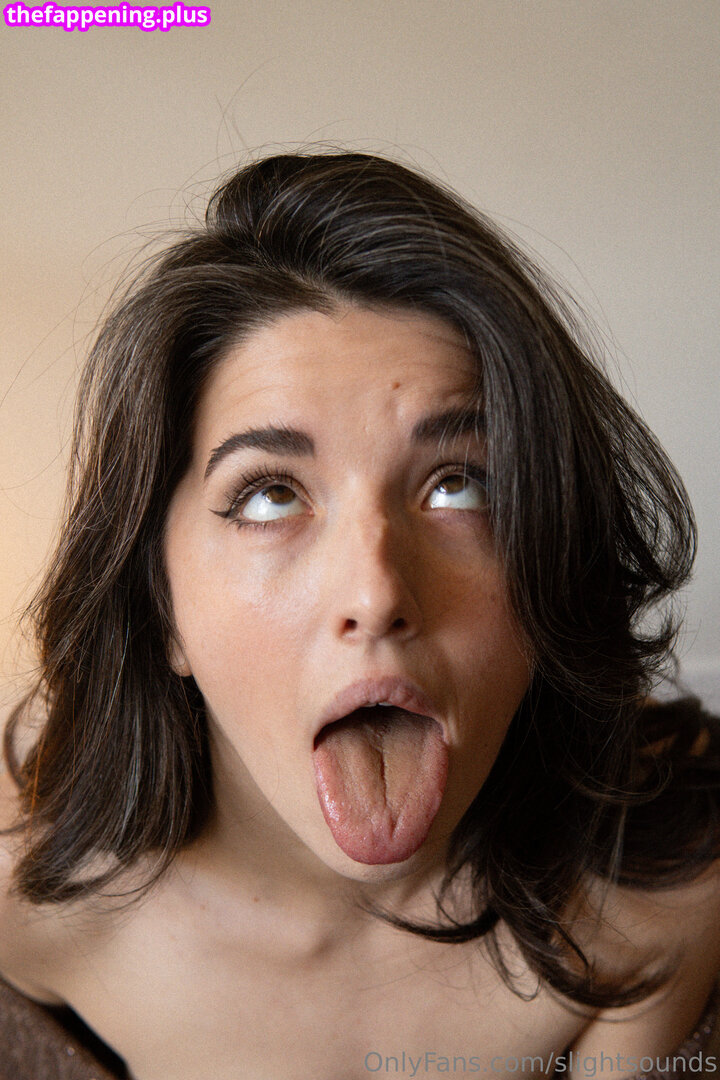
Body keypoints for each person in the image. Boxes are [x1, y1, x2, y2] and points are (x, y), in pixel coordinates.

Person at [1, 151, 719, 1080]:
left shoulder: (663, 891)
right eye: (268, 495)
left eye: (460, 486)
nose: (376, 595)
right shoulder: (30, 895)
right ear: (160, 604)